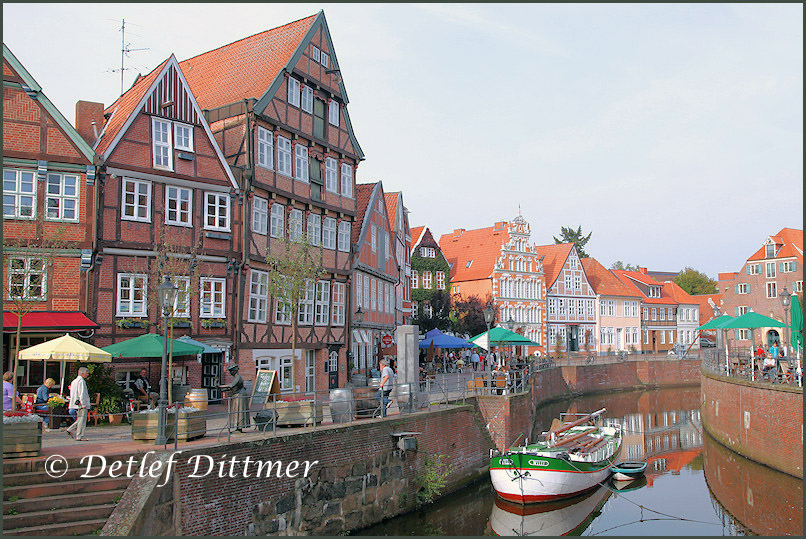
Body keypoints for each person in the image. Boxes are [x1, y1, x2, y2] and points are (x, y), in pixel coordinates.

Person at [219, 364, 250, 431]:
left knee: (239, 411)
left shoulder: (237, 377)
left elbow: (231, 385)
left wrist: (220, 386)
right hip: (237, 395)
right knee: (236, 411)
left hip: (240, 396)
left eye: (230, 371)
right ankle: (237, 427)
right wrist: (222, 389)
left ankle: (239, 427)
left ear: (234, 371)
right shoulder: (236, 377)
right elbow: (232, 388)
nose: (230, 373)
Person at [66, 367, 91, 441]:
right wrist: (83, 404)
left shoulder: (74, 381)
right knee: (82, 420)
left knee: (80, 419)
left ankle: (71, 430)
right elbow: (82, 393)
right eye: (86, 373)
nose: (87, 375)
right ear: (83, 373)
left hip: (75, 403)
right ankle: (79, 435)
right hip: (81, 404)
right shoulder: (81, 381)